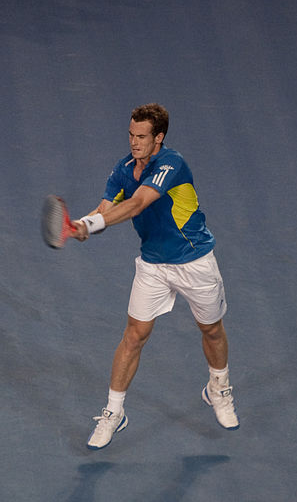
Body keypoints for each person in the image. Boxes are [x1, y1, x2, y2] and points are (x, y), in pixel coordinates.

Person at [71, 103, 239, 450]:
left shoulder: (172, 164)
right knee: (134, 336)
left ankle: (217, 388)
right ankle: (113, 413)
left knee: (211, 330)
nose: (134, 143)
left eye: (142, 137)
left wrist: (95, 224)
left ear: (158, 138)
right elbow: (106, 208)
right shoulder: (122, 169)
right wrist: (84, 224)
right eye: (131, 135)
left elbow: (135, 205)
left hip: (195, 261)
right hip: (152, 266)